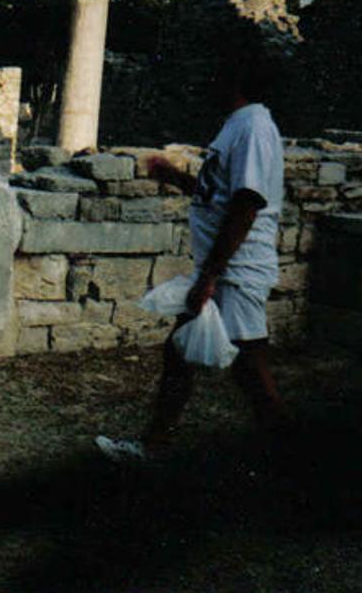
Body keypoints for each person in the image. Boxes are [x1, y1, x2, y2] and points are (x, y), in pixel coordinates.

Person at [96, 41, 289, 462]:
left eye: (216, 74)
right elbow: (217, 195)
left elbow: (247, 203)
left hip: (236, 272)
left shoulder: (254, 126)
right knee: (180, 352)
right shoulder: (235, 125)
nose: (208, 82)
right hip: (222, 269)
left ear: (236, 79)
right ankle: (151, 445)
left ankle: (292, 468)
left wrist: (210, 277)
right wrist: (175, 177)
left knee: (250, 370)